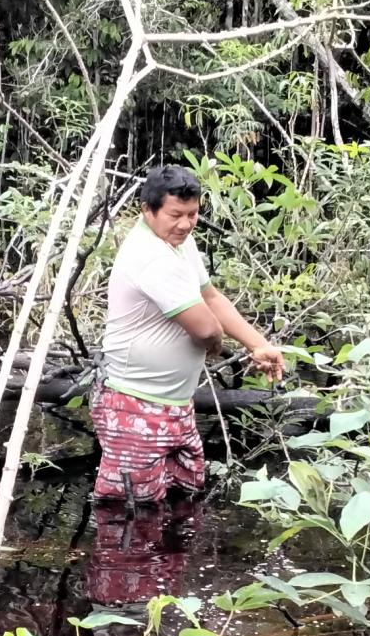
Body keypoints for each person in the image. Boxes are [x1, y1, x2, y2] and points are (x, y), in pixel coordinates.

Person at [92, 163, 285, 506]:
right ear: (147, 210)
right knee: (129, 513)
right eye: (175, 214)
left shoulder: (179, 242)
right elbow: (206, 328)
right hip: (136, 405)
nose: (185, 224)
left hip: (175, 404)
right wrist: (214, 345)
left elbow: (210, 297)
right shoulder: (151, 256)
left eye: (192, 214)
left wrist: (259, 344)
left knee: (183, 501)